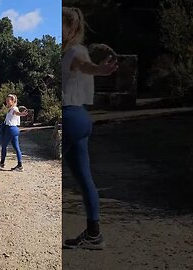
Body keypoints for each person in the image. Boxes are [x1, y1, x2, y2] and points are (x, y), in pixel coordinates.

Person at [62, 7, 118, 250]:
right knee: (84, 178)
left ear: (72, 28)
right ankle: (94, 233)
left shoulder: (75, 51)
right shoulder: (68, 52)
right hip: (81, 117)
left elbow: (84, 65)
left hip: (71, 116)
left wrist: (99, 70)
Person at [0, 94, 28, 172]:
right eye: (6, 100)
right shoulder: (11, 109)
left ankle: (2, 162)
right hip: (15, 130)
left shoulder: (14, 109)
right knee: (16, 148)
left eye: (8, 100)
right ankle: (20, 165)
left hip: (10, 129)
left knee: (4, 145)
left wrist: (22, 114)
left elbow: (17, 113)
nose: (6, 102)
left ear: (13, 101)